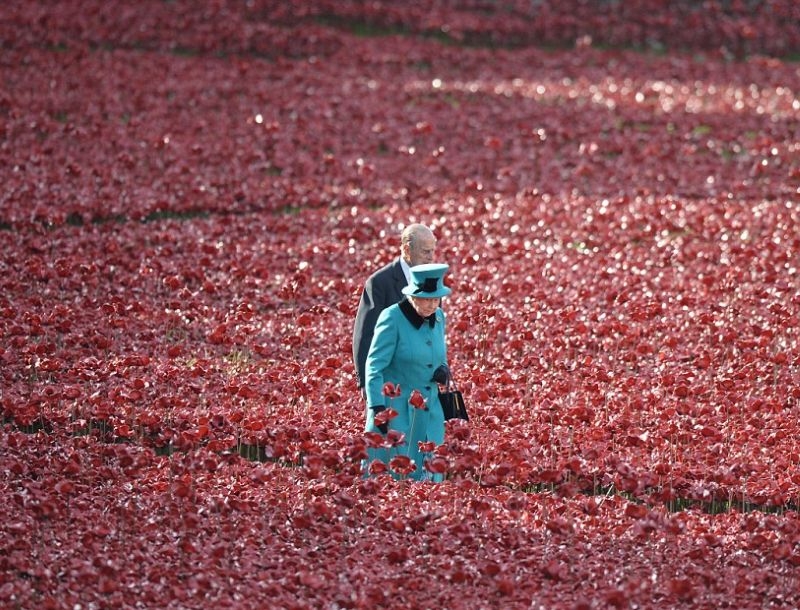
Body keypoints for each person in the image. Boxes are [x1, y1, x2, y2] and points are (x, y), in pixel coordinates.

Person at [363, 263, 451, 482]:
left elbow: (437, 355)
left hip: (430, 416)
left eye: (436, 299)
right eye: (427, 299)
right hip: (397, 415)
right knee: (397, 483)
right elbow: (374, 365)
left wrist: (442, 371)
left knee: (429, 484)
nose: (432, 305)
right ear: (413, 295)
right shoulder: (391, 318)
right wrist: (377, 409)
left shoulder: (439, 317)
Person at [352, 224, 436, 396]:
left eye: (432, 251)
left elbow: (433, 330)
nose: (430, 258)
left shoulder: (431, 280)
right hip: (388, 382)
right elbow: (365, 334)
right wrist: (365, 382)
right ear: (407, 249)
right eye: (425, 251)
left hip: (422, 382)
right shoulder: (380, 282)